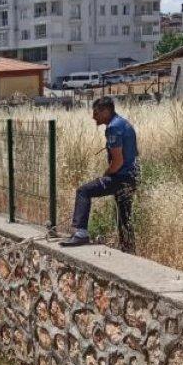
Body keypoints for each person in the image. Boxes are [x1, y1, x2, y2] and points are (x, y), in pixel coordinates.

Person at [60, 96, 138, 253]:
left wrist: (107, 174)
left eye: (96, 113)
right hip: (132, 177)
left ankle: (81, 233)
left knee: (84, 191)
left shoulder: (113, 128)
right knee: (124, 216)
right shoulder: (124, 123)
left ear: (106, 111)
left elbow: (118, 161)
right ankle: (128, 250)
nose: (93, 117)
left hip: (120, 177)